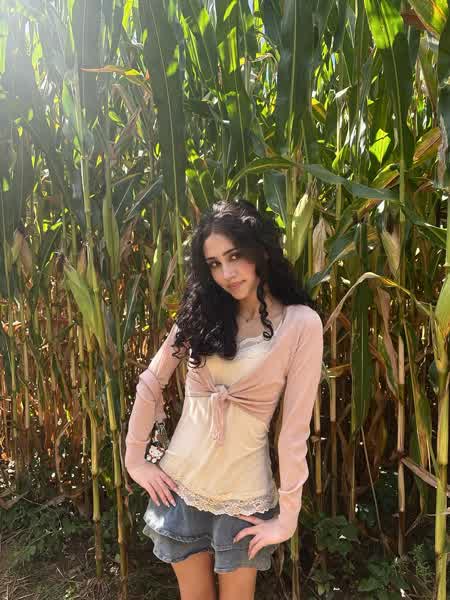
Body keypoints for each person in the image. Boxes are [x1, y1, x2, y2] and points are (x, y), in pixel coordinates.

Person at [125, 200, 324, 600]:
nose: (226, 273)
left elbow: (293, 431)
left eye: (234, 257)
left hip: (243, 497)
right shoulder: (201, 313)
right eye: (214, 264)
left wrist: (288, 516)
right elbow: (151, 380)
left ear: (260, 249)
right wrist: (135, 460)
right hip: (180, 485)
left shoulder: (301, 324)